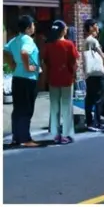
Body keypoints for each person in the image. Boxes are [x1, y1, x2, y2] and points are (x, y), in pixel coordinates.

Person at [4, 16, 41, 147]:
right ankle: (25, 139)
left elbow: (4, 51)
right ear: (28, 28)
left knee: (18, 109)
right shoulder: (28, 40)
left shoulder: (15, 39)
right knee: (27, 109)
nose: (34, 27)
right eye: (33, 25)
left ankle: (17, 137)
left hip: (17, 78)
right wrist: (27, 66)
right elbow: (24, 52)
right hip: (28, 78)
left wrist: (13, 64)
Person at [42, 20, 78, 144]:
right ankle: (66, 134)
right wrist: (74, 75)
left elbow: (45, 62)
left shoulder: (48, 45)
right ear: (63, 30)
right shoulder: (69, 44)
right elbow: (74, 63)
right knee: (66, 106)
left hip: (53, 78)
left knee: (54, 106)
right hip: (66, 78)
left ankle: (55, 134)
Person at [84, 19, 104, 131]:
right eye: (95, 26)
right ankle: (96, 122)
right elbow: (103, 57)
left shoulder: (86, 41)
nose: (97, 27)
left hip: (90, 74)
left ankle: (90, 121)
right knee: (99, 97)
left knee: (90, 97)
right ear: (90, 28)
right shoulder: (93, 41)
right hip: (97, 74)